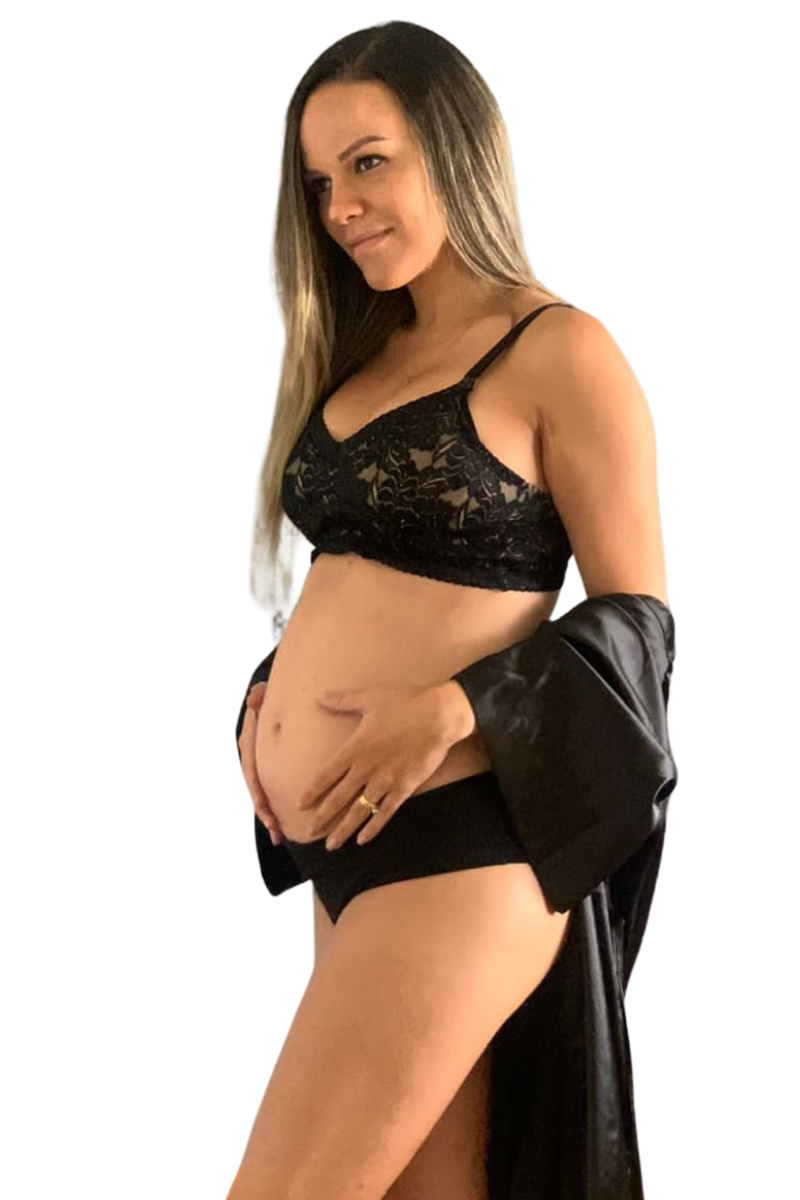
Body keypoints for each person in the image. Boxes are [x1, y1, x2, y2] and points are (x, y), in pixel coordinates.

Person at [230, 20, 677, 1200]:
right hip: (346, 844)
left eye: (366, 163)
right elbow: (362, 581)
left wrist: (453, 708)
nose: (339, 208)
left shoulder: (559, 352)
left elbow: (640, 623)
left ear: (454, 147)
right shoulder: (365, 356)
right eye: (318, 183)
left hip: (463, 841)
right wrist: (269, 698)